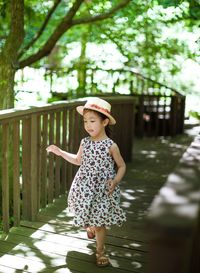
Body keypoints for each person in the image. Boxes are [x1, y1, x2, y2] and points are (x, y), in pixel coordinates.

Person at [46, 97, 126, 267]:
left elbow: (121, 166)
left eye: (92, 121)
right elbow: (77, 160)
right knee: (84, 214)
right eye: (85, 121)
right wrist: (60, 152)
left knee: (99, 224)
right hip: (84, 187)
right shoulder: (85, 142)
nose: (88, 125)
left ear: (104, 122)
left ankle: (100, 251)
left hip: (103, 189)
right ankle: (88, 227)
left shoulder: (111, 146)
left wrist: (116, 181)